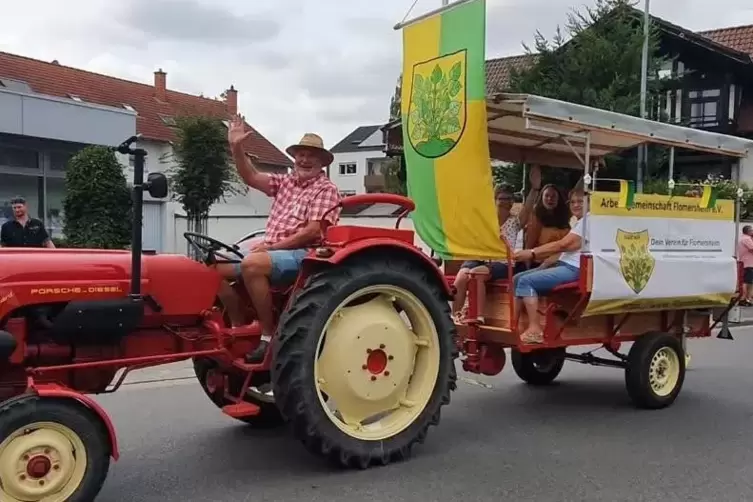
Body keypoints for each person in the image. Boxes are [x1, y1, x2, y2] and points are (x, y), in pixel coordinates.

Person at [215, 115, 341, 364]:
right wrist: (236, 147)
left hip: (305, 254)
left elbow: (313, 232)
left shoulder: (326, 190)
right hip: (272, 249)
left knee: (253, 264)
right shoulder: (285, 182)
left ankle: (268, 334)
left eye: (311, 155)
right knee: (212, 267)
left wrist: (271, 247)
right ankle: (239, 326)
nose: (304, 160)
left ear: (321, 161)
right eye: (300, 154)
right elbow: (250, 176)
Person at [452, 165, 542, 322]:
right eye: (501, 198)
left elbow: (527, 208)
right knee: (461, 277)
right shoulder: (486, 221)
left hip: (502, 261)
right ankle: (454, 316)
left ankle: (478, 315)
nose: (505, 202)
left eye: (509, 199)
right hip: (482, 257)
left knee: (477, 274)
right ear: (495, 200)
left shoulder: (514, 222)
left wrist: (535, 189)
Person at [511, 189, 585, 344]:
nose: (576, 205)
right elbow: (565, 250)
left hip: (576, 269)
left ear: (589, 203)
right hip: (564, 264)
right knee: (517, 278)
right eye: (572, 202)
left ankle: (535, 329)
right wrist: (544, 264)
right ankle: (513, 324)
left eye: (580, 201)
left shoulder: (588, 222)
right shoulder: (578, 222)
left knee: (526, 281)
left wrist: (531, 253)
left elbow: (565, 244)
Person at [523, 184, 571, 268]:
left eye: (553, 196)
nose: (550, 199)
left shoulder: (565, 216)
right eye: (547, 196)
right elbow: (529, 245)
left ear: (558, 198)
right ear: (542, 198)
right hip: (540, 263)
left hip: (562, 261)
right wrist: (527, 267)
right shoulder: (536, 217)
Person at [738, 225, 753, 305]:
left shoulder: (744, 238)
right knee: (747, 281)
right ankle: (744, 298)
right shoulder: (746, 239)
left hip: (748, 263)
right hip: (748, 263)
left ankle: (748, 298)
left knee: (749, 281)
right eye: (751, 230)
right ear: (748, 231)